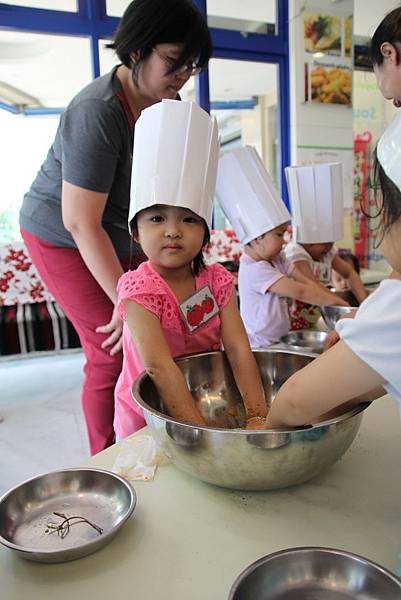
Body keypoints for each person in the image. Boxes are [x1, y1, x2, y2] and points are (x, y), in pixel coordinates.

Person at [18, 0, 212, 455]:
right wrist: (127, 302)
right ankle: (107, 461)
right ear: (136, 50)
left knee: (162, 335)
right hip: (63, 235)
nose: (182, 74)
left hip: (120, 228)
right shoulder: (98, 111)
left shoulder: (169, 107)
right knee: (111, 347)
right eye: (173, 61)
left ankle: (153, 436)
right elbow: (81, 221)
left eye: (191, 65)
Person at [114, 100, 268, 440]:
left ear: (205, 231)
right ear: (135, 231)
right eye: (157, 218)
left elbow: (239, 346)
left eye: (188, 219)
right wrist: (197, 431)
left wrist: (258, 415)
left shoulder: (217, 281)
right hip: (148, 415)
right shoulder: (139, 290)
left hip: (210, 397)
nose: (173, 230)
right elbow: (158, 366)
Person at [265, 111, 401, 428]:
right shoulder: (295, 254)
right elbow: (306, 287)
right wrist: (364, 314)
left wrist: (268, 438)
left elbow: (294, 401)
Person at [215, 146, 348, 348]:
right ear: (255, 239)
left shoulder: (277, 259)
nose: (285, 240)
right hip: (258, 345)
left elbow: (307, 281)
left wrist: (340, 305)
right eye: (279, 234)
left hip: (279, 339)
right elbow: (300, 292)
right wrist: (339, 305)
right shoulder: (255, 270)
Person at [284, 163, 367, 328]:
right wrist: (342, 305)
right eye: (325, 244)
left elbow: (349, 273)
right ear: (309, 240)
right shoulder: (296, 254)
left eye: (332, 243)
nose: (329, 248)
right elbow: (312, 286)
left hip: (312, 319)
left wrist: (365, 304)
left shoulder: (327, 253)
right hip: (290, 323)